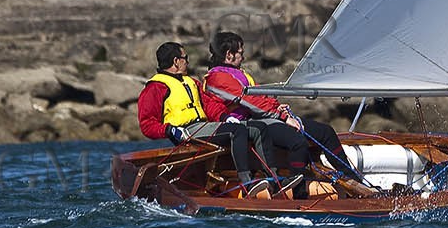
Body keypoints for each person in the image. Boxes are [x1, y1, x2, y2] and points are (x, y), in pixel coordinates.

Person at [202, 30, 353, 179]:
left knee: (326, 132)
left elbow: (260, 96)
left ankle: (352, 178)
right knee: (297, 142)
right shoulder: (217, 78)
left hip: (264, 117)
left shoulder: (239, 74)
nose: (244, 57)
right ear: (229, 55)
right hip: (250, 124)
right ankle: (298, 188)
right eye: (241, 53)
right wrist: (283, 117)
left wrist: (277, 107)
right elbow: (251, 102)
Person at [136, 41, 265, 194]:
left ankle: (273, 178)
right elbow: (147, 124)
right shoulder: (155, 88)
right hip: (187, 132)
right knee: (237, 131)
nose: (188, 62)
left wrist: (224, 117)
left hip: (204, 127)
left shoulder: (192, 83)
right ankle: (247, 182)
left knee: (257, 129)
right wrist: (170, 130)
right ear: (176, 61)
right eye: (185, 58)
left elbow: (209, 105)